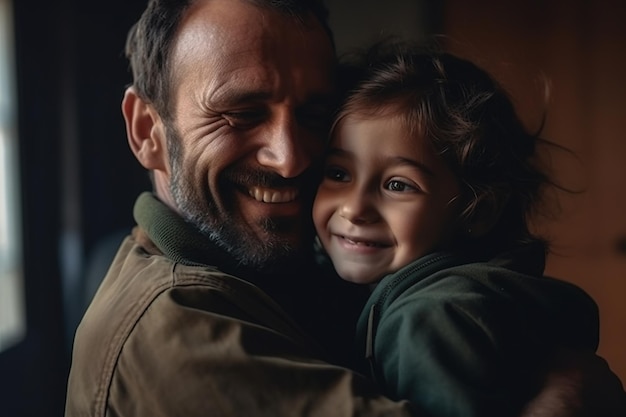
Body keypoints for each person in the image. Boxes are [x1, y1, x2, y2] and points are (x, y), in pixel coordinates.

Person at [64, 0, 626, 416]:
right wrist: (569, 396)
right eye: (239, 112)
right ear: (147, 131)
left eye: (313, 114)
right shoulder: (177, 333)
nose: (291, 159)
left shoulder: (279, 269)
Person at [312, 40, 626, 417]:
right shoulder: (470, 289)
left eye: (398, 185)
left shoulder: (431, 321)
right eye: (338, 173)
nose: (355, 207)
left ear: (477, 212)